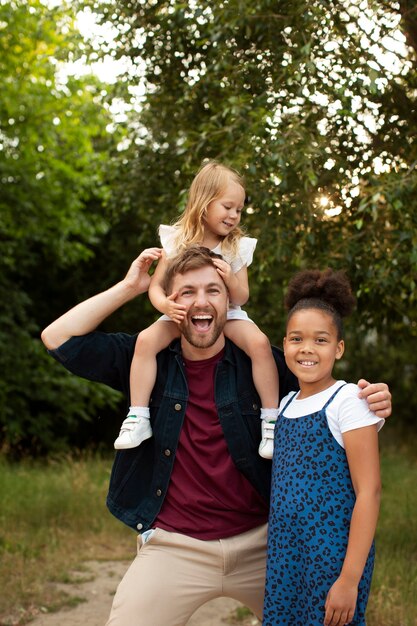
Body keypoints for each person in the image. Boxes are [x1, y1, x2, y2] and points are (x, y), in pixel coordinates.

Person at [41, 247, 391, 626]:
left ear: (230, 301)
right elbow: (57, 337)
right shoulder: (145, 358)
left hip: (265, 544)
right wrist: (130, 287)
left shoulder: (263, 364)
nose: (201, 301)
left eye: (213, 290)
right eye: (187, 292)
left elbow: (326, 401)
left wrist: (375, 400)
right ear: (169, 302)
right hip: (176, 547)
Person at [114, 160, 279, 459]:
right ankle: (138, 416)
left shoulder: (235, 246)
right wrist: (166, 305)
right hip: (180, 312)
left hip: (227, 314)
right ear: (204, 203)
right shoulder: (178, 240)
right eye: (228, 206)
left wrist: (229, 277)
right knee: (145, 341)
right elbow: (156, 286)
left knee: (259, 343)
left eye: (239, 210)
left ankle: (270, 421)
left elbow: (242, 296)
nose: (234, 215)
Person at [263, 269, 384, 626]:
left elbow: (370, 492)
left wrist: (349, 579)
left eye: (320, 340)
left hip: (332, 558)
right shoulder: (282, 406)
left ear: (339, 348)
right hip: (285, 556)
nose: (307, 349)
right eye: (297, 339)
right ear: (284, 343)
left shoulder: (348, 400)